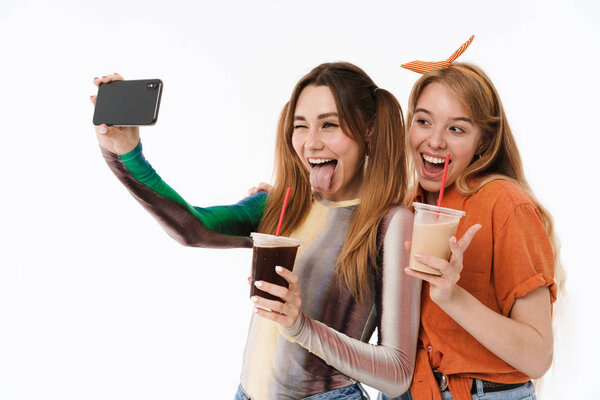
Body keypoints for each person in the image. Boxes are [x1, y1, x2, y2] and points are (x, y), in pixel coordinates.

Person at [90, 63, 421, 400]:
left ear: (369, 129)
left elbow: (396, 374)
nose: (310, 143)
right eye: (300, 126)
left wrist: (300, 326)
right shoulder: (280, 205)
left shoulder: (391, 222)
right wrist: (126, 154)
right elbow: (193, 228)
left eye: (329, 125)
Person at [379, 36, 562, 400]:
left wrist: (452, 296)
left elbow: (538, 357)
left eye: (456, 128)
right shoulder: (403, 205)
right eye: (423, 121)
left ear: (483, 141)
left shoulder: (504, 203)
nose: (435, 141)